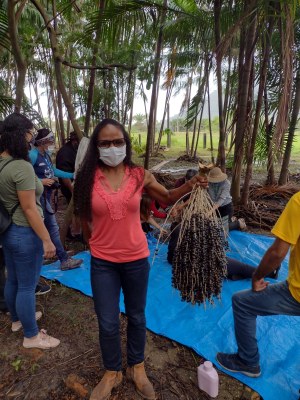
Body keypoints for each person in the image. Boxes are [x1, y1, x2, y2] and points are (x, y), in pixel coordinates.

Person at [73, 118, 208, 400]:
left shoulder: (139, 175)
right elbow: (84, 220)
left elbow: (168, 197)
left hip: (136, 259)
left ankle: (137, 367)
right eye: (105, 143)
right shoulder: (86, 179)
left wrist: (191, 184)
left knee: (136, 315)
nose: (112, 147)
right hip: (103, 262)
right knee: (107, 320)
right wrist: (95, 243)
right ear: (96, 147)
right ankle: (112, 372)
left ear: (126, 143)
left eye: (117, 141)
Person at [216, 192, 300, 377]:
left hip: (297, 293)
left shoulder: (299, 201)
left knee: (242, 301)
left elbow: (278, 252)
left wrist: (257, 276)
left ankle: (248, 362)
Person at [0, 112, 59, 349]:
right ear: (19, 135)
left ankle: (17, 320)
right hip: (25, 232)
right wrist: (46, 240)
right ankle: (32, 336)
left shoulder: (1, 163)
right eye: (29, 134)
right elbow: (29, 208)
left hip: (9, 232)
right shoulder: (21, 167)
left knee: (13, 279)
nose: (31, 139)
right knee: (26, 285)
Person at [29, 129, 83, 271]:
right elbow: (24, 176)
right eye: (50, 140)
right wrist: (41, 181)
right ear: (42, 141)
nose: (52, 143)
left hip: (46, 196)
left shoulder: (45, 155)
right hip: (37, 198)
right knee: (51, 228)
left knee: (48, 228)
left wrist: (72, 174)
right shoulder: (33, 155)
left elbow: (53, 171)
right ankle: (63, 259)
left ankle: (50, 257)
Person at [207, 167, 246, 231]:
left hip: (226, 208)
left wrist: (210, 211)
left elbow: (221, 199)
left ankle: (239, 223)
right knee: (213, 226)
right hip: (216, 208)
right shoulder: (209, 182)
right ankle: (231, 220)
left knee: (222, 229)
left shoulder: (226, 183)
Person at [55, 131, 79, 204]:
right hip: (70, 188)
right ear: (75, 141)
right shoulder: (65, 153)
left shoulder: (74, 149)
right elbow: (64, 176)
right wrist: (73, 192)